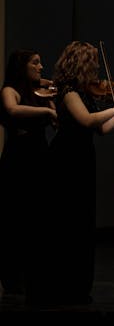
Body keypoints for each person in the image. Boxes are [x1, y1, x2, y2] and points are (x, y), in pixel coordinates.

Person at [25, 41, 114, 306]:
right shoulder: (68, 92)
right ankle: (59, 287)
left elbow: (102, 128)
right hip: (65, 161)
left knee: (81, 223)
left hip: (82, 160)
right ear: (83, 64)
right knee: (65, 224)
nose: (97, 67)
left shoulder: (85, 93)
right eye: (93, 62)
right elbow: (87, 120)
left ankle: (77, 286)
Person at [0, 50, 57, 296]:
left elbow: (56, 121)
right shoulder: (10, 90)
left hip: (39, 157)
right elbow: (13, 110)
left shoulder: (41, 93)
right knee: (15, 218)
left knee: (38, 217)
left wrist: (51, 98)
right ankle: (13, 277)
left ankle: (35, 275)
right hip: (17, 159)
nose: (41, 67)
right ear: (22, 66)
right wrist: (46, 111)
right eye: (35, 63)